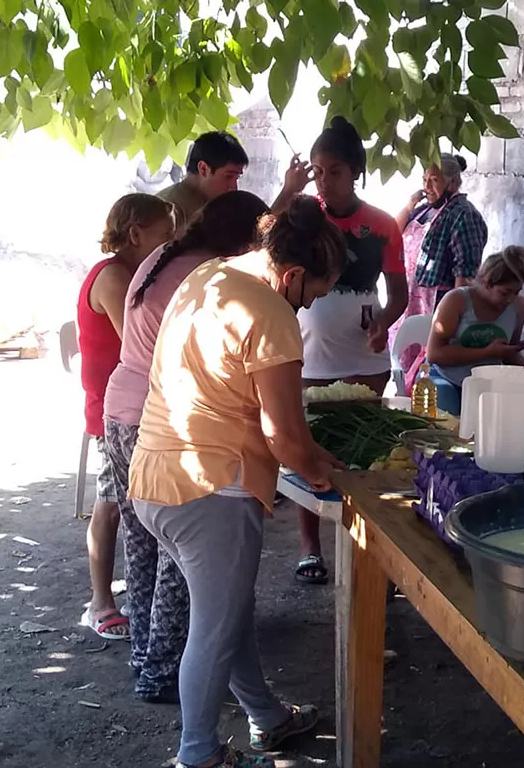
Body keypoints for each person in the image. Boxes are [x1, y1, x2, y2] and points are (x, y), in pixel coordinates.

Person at [128, 196, 346, 768]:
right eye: (314, 295)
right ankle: (196, 754)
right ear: (293, 274)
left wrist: (311, 454)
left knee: (224, 610)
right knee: (215, 626)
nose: (308, 308)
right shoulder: (270, 311)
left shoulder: (210, 276)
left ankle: (267, 718)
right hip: (212, 487)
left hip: (155, 471)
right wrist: (335, 475)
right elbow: (284, 438)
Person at [102, 191, 270, 704]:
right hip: (164, 421)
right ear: (244, 243)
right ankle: (163, 672)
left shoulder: (166, 256)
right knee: (183, 563)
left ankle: (147, 660)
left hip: (124, 409)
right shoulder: (212, 276)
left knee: (145, 544)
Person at [293, 116, 408, 585]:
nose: (323, 179)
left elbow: (399, 291)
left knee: (364, 446)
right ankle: (308, 548)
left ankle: (366, 546)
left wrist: (384, 322)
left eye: (334, 170)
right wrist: (290, 189)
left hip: (365, 354)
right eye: (317, 170)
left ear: (357, 171)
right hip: (307, 351)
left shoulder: (381, 227)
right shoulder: (302, 218)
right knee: (307, 444)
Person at [77, 193, 176, 641]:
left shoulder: (128, 274)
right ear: (136, 234)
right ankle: (100, 602)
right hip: (114, 410)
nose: (170, 243)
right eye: (164, 234)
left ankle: (134, 602)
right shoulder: (116, 278)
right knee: (112, 504)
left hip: (122, 405)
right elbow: (138, 347)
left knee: (126, 504)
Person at [426, 245, 524, 416]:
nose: (511, 299)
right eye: (505, 292)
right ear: (486, 283)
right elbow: (434, 354)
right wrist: (486, 352)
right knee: (446, 421)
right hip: (446, 378)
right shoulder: (457, 300)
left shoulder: (519, 306)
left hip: (487, 384)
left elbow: (509, 355)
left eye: (517, 291)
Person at [390, 154, 488, 347]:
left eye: (434, 180)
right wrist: (410, 205)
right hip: (412, 301)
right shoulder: (423, 211)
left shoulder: (464, 215)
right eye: (424, 180)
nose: (427, 187)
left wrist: (457, 321)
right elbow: (393, 234)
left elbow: (465, 273)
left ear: (451, 183)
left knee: (429, 364)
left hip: (437, 305)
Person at [158, 131, 310, 230]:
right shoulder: (168, 210)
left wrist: (290, 190)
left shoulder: (213, 204)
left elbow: (256, 233)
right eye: (228, 176)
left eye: (237, 178)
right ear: (203, 169)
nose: (234, 187)